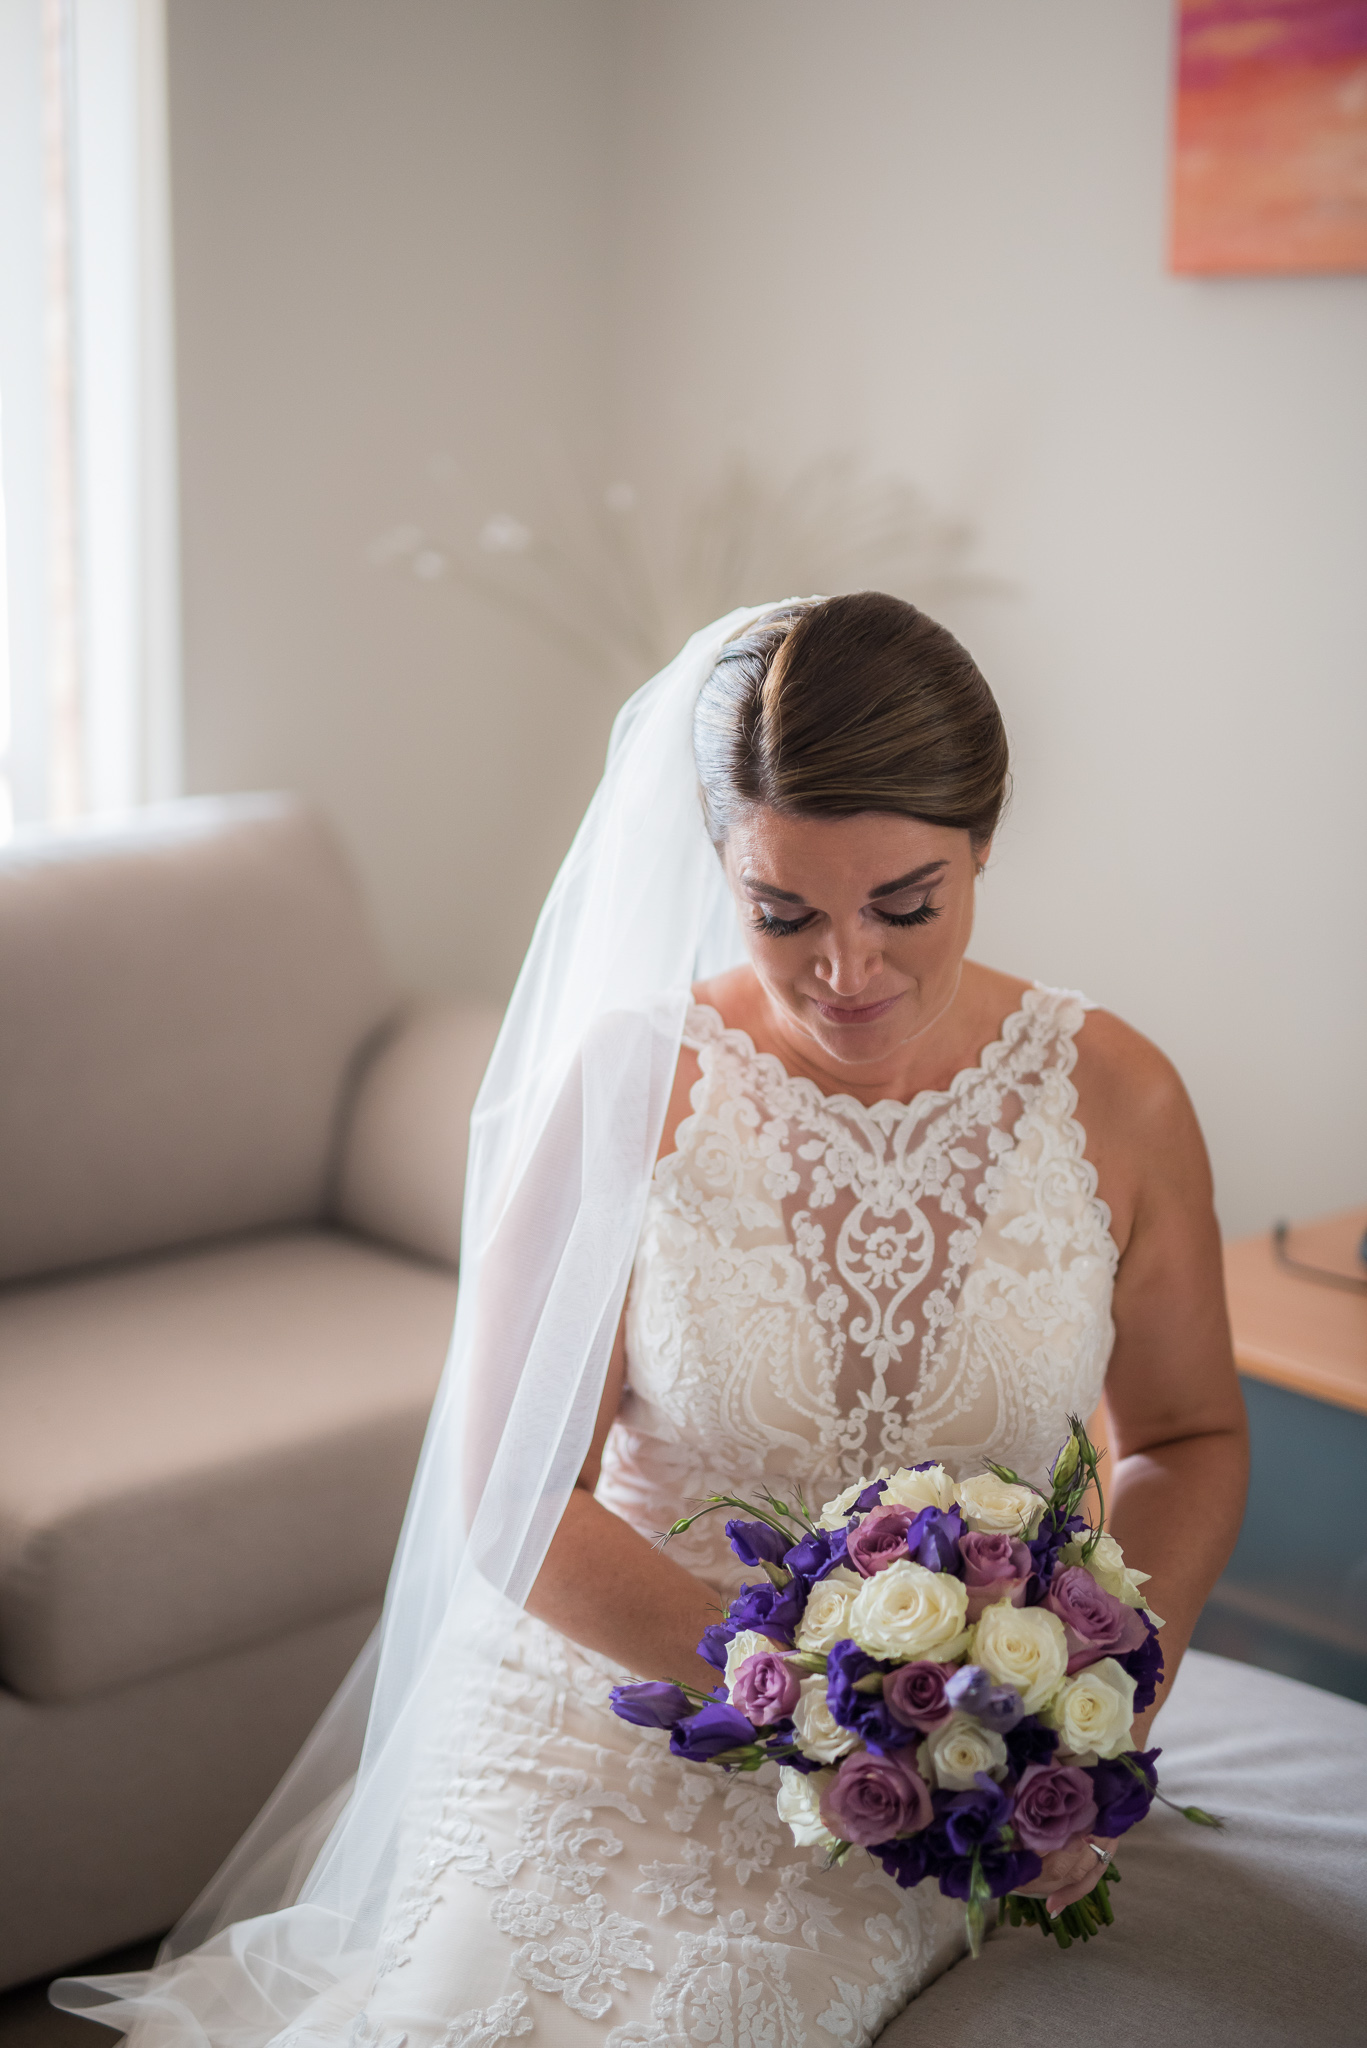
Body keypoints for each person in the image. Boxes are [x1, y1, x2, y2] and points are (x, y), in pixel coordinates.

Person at [57, 595, 1247, 2048]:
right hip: (618, 1703)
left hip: (958, 1747)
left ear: (984, 844)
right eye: (784, 911)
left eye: (907, 902)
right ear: (717, 867)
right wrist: (807, 1699)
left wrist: (1091, 1691)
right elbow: (512, 1498)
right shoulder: (633, 1085)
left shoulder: (1118, 1097)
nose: (849, 968)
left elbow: (1184, 1433)